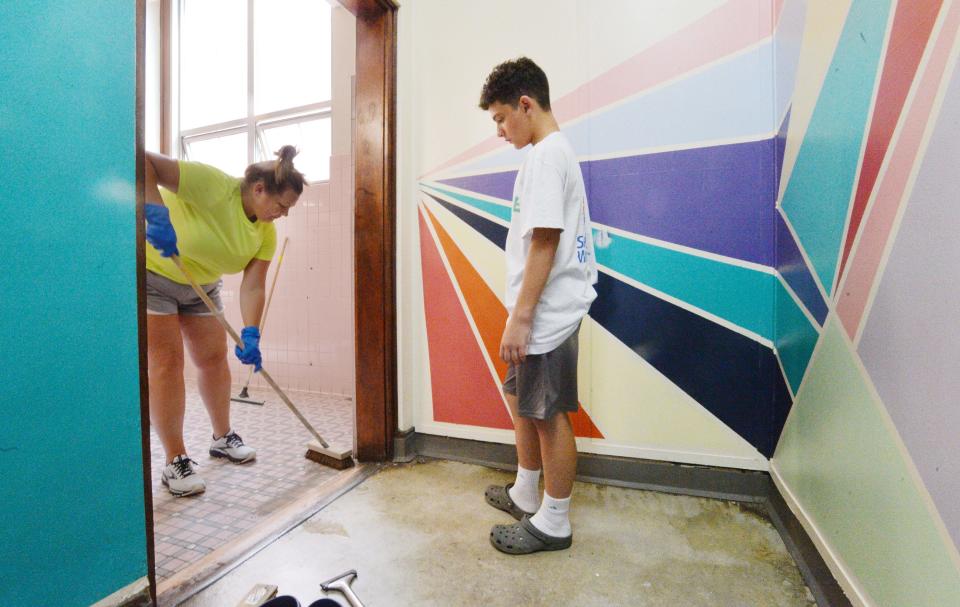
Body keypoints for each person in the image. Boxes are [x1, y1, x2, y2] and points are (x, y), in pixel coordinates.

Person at [478, 57, 598, 554]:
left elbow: (545, 241)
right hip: (537, 309)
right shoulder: (544, 154)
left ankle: (554, 521)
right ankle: (527, 488)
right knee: (523, 402)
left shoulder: (548, 155)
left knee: (547, 414)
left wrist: (521, 319)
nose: (501, 131)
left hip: (544, 313)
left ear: (526, 104)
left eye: (502, 118)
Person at [143, 145, 306, 496]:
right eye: (282, 206)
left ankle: (222, 437)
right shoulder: (215, 185)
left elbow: (252, 285)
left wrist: (251, 332)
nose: (284, 214)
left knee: (213, 359)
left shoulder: (265, 230)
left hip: (201, 286)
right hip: (155, 276)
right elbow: (143, 159)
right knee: (167, 364)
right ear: (259, 189)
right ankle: (175, 460)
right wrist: (155, 212)